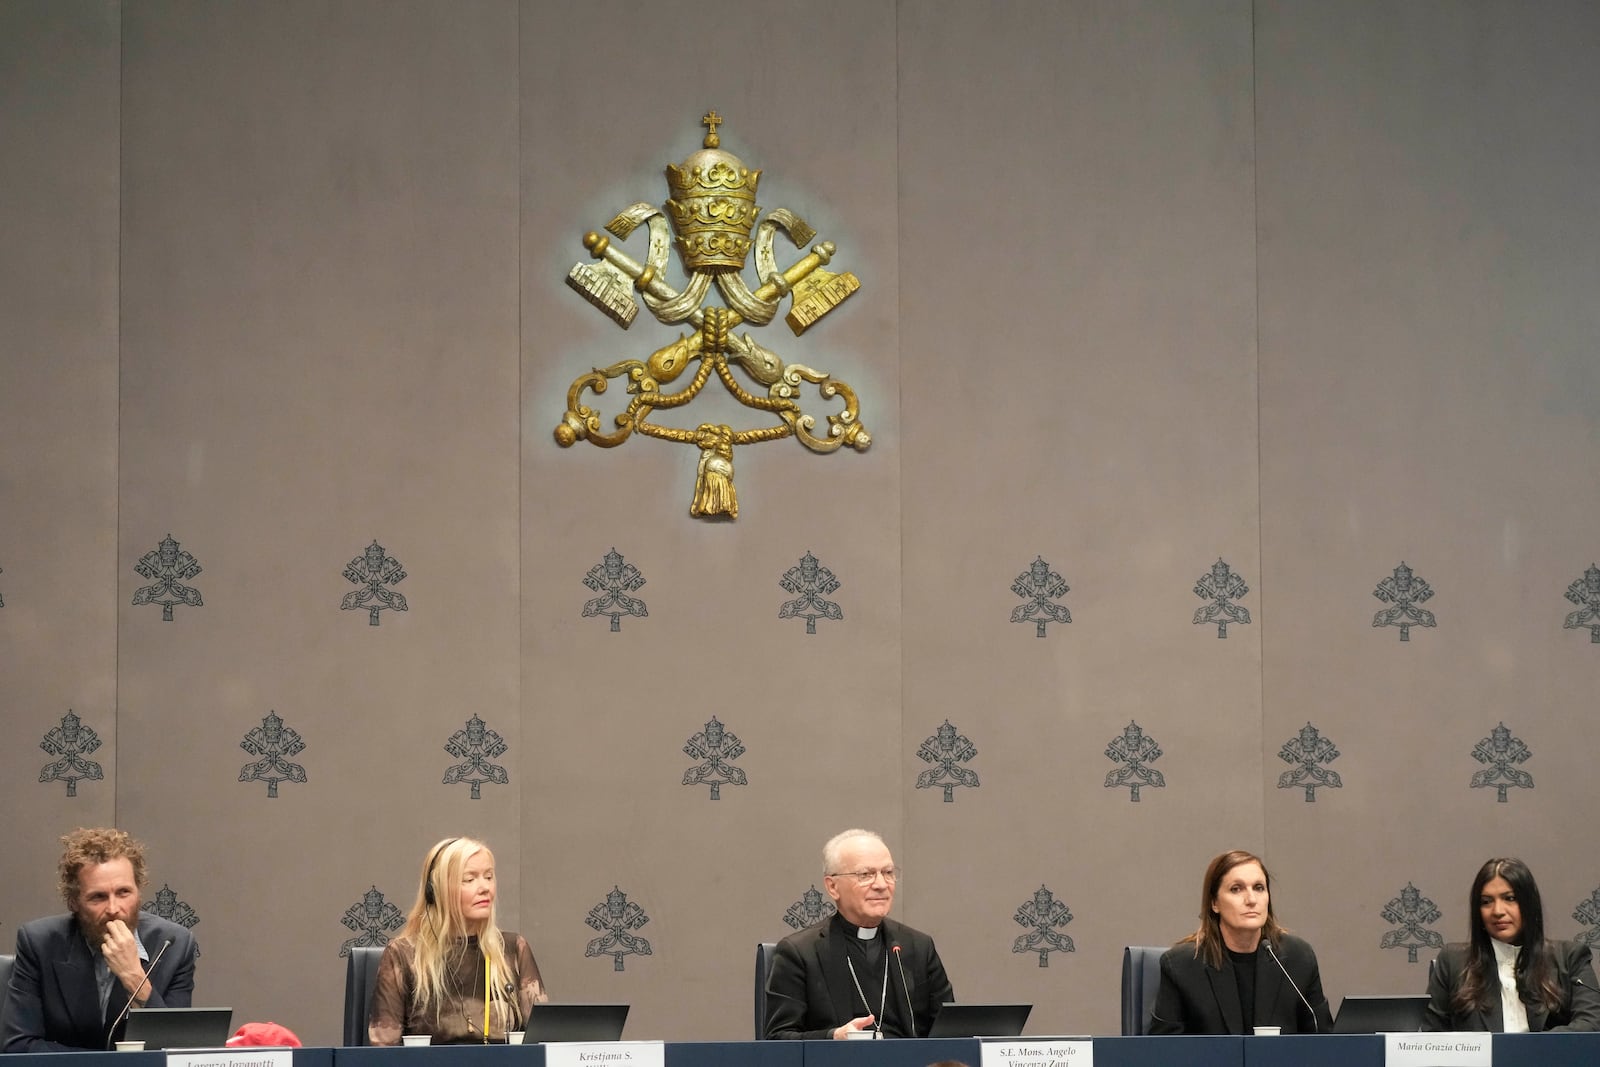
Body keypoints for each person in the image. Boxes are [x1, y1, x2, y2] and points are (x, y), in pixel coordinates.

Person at [2, 827, 198, 1053]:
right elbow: (18, 1045)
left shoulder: (174, 945)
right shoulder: (39, 943)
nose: (114, 909)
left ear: (139, 892)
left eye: (124, 892)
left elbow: (176, 1052)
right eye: (98, 897)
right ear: (74, 902)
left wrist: (134, 978)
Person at [764, 828, 953, 1039]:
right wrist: (833, 1037)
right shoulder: (800, 953)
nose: (881, 885)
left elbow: (950, 1031)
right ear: (832, 886)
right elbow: (777, 1039)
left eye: (888, 873)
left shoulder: (918, 947)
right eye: (865, 875)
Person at [367, 837, 548, 1045]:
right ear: (436, 891)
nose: (484, 888)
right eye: (469, 880)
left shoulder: (513, 949)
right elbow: (383, 1053)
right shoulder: (404, 954)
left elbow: (544, 1043)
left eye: (488, 877)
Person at [1149, 848, 1332, 1034]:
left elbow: (1324, 1041)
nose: (1251, 899)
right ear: (1215, 903)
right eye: (1236, 889)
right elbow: (1164, 1052)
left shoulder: (1298, 958)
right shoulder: (1182, 966)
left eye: (1259, 888)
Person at [1421, 857, 1600, 1032]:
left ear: (1529, 904)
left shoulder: (1570, 957)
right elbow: (1432, 1036)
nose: (1498, 911)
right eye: (1486, 902)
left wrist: (1533, 1049)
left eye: (1510, 898)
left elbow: (1591, 1023)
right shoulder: (1453, 962)